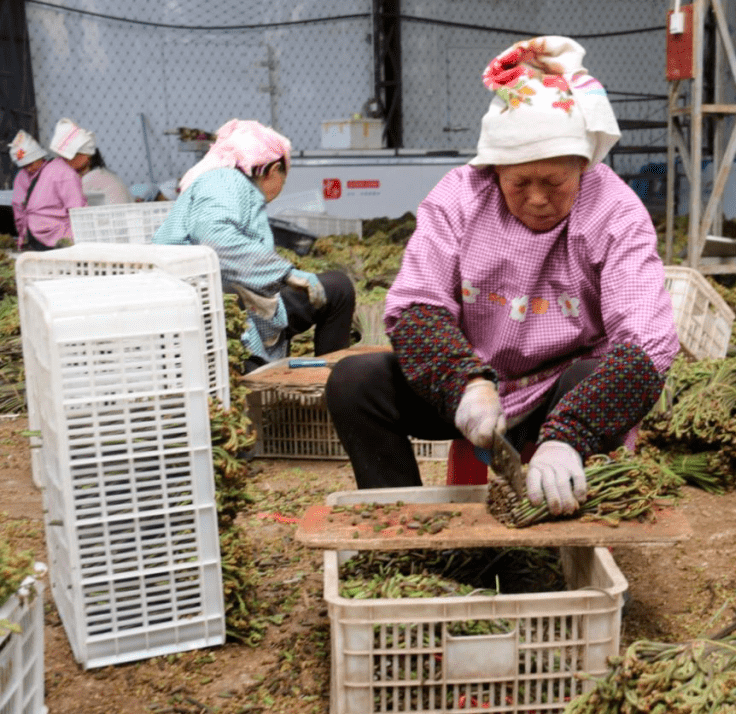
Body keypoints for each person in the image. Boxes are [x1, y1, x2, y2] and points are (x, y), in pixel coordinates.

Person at [325, 36, 680, 515]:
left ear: (583, 166)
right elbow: (416, 305)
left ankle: (571, 508)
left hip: (565, 394)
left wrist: (571, 433)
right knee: (356, 382)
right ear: (494, 171)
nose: (536, 199)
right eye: (519, 183)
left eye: (554, 182)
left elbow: (646, 345)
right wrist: (466, 383)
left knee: (600, 371)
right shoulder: (459, 199)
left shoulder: (615, 212)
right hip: (476, 392)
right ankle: (399, 526)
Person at [152, 119, 356, 371]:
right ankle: (334, 381)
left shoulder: (218, 182)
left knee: (328, 289)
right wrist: (287, 274)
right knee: (339, 288)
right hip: (221, 311)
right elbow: (215, 238)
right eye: (284, 177)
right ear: (272, 169)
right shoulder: (225, 182)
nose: (281, 186)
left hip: (212, 301)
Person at [9, 129, 86, 250]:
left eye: (31, 163)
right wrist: (22, 235)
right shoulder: (21, 177)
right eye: (24, 166)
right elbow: (18, 208)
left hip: (61, 238)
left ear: (40, 156)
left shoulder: (61, 172)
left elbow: (78, 209)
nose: (28, 169)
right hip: (32, 238)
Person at [49, 118, 134, 205]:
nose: (65, 161)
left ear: (86, 156)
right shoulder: (101, 174)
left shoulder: (91, 179)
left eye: (71, 156)